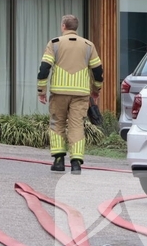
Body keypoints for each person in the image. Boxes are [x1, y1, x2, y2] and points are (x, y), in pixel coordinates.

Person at [37, 14, 103, 175]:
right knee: (77, 126)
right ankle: (76, 163)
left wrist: (41, 90)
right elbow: (98, 71)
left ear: (63, 27)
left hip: (59, 92)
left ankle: (59, 161)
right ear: (76, 28)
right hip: (80, 94)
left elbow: (44, 68)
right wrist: (96, 89)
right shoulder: (88, 45)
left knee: (57, 123)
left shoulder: (55, 44)